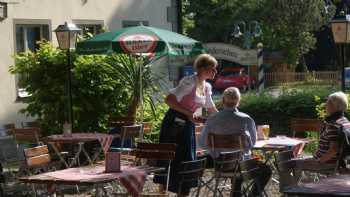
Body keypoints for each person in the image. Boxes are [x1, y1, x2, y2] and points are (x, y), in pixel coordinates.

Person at [154, 54, 218, 195]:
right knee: (173, 155)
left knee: (187, 156)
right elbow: (169, 100)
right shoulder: (189, 82)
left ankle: (182, 190)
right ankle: (163, 189)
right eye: (212, 69)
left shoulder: (207, 87)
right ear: (202, 68)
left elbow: (211, 109)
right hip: (174, 121)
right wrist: (188, 113)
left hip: (187, 122)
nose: (215, 72)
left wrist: (225, 119)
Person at [198, 87, 271, 197]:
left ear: (223, 101)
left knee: (236, 169)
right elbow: (252, 144)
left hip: (219, 164)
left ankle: (237, 192)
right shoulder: (246, 119)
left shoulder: (212, 119)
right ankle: (252, 195)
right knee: (266, 170)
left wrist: (216, 148)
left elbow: (203, 143)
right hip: (241, 165)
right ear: (238, 101)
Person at [294, 91, 349, 173]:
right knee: (295, 160)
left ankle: (289, 186)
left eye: (327, 103)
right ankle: (294, 185)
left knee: (287, 164)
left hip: (326, 163)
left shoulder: (333, 124)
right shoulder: (345, 121)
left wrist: (318, 161)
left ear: (334, 106)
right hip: (336, 162)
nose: (325, 105)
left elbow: (334, 149)